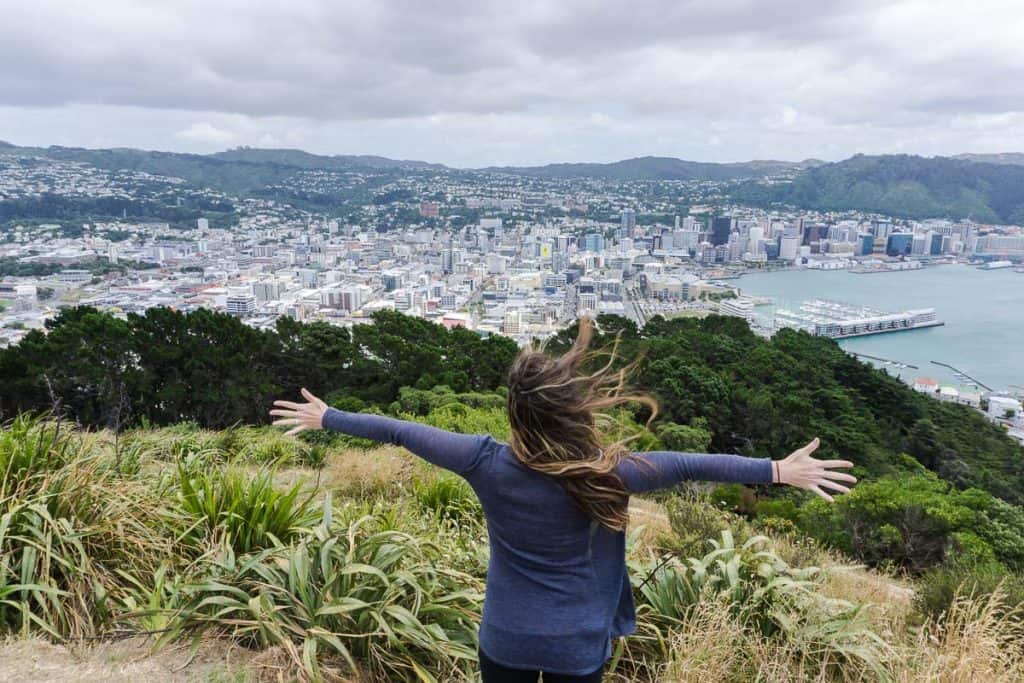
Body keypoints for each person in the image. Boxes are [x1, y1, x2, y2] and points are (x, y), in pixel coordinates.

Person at [270, 318, 856, 683]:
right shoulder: (615, 473)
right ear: (574, 413)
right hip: (579, 642)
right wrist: (778, 470)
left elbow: (400, 429)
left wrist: (328, 417)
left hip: (505, 636)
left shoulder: (483, 461)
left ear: (516, 415)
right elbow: (693, 465)